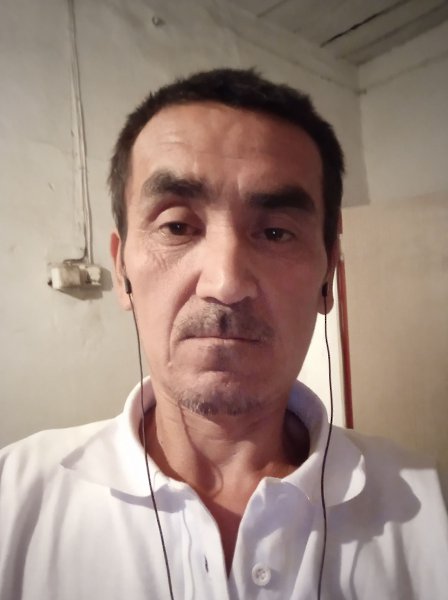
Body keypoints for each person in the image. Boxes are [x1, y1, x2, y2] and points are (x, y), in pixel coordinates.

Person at [0, 68, 447, 600]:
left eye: (276, 232)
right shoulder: (13, 497)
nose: (226, 283)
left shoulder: (429, 505)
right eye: (177, 226)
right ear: (121, 271)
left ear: (328, 274)